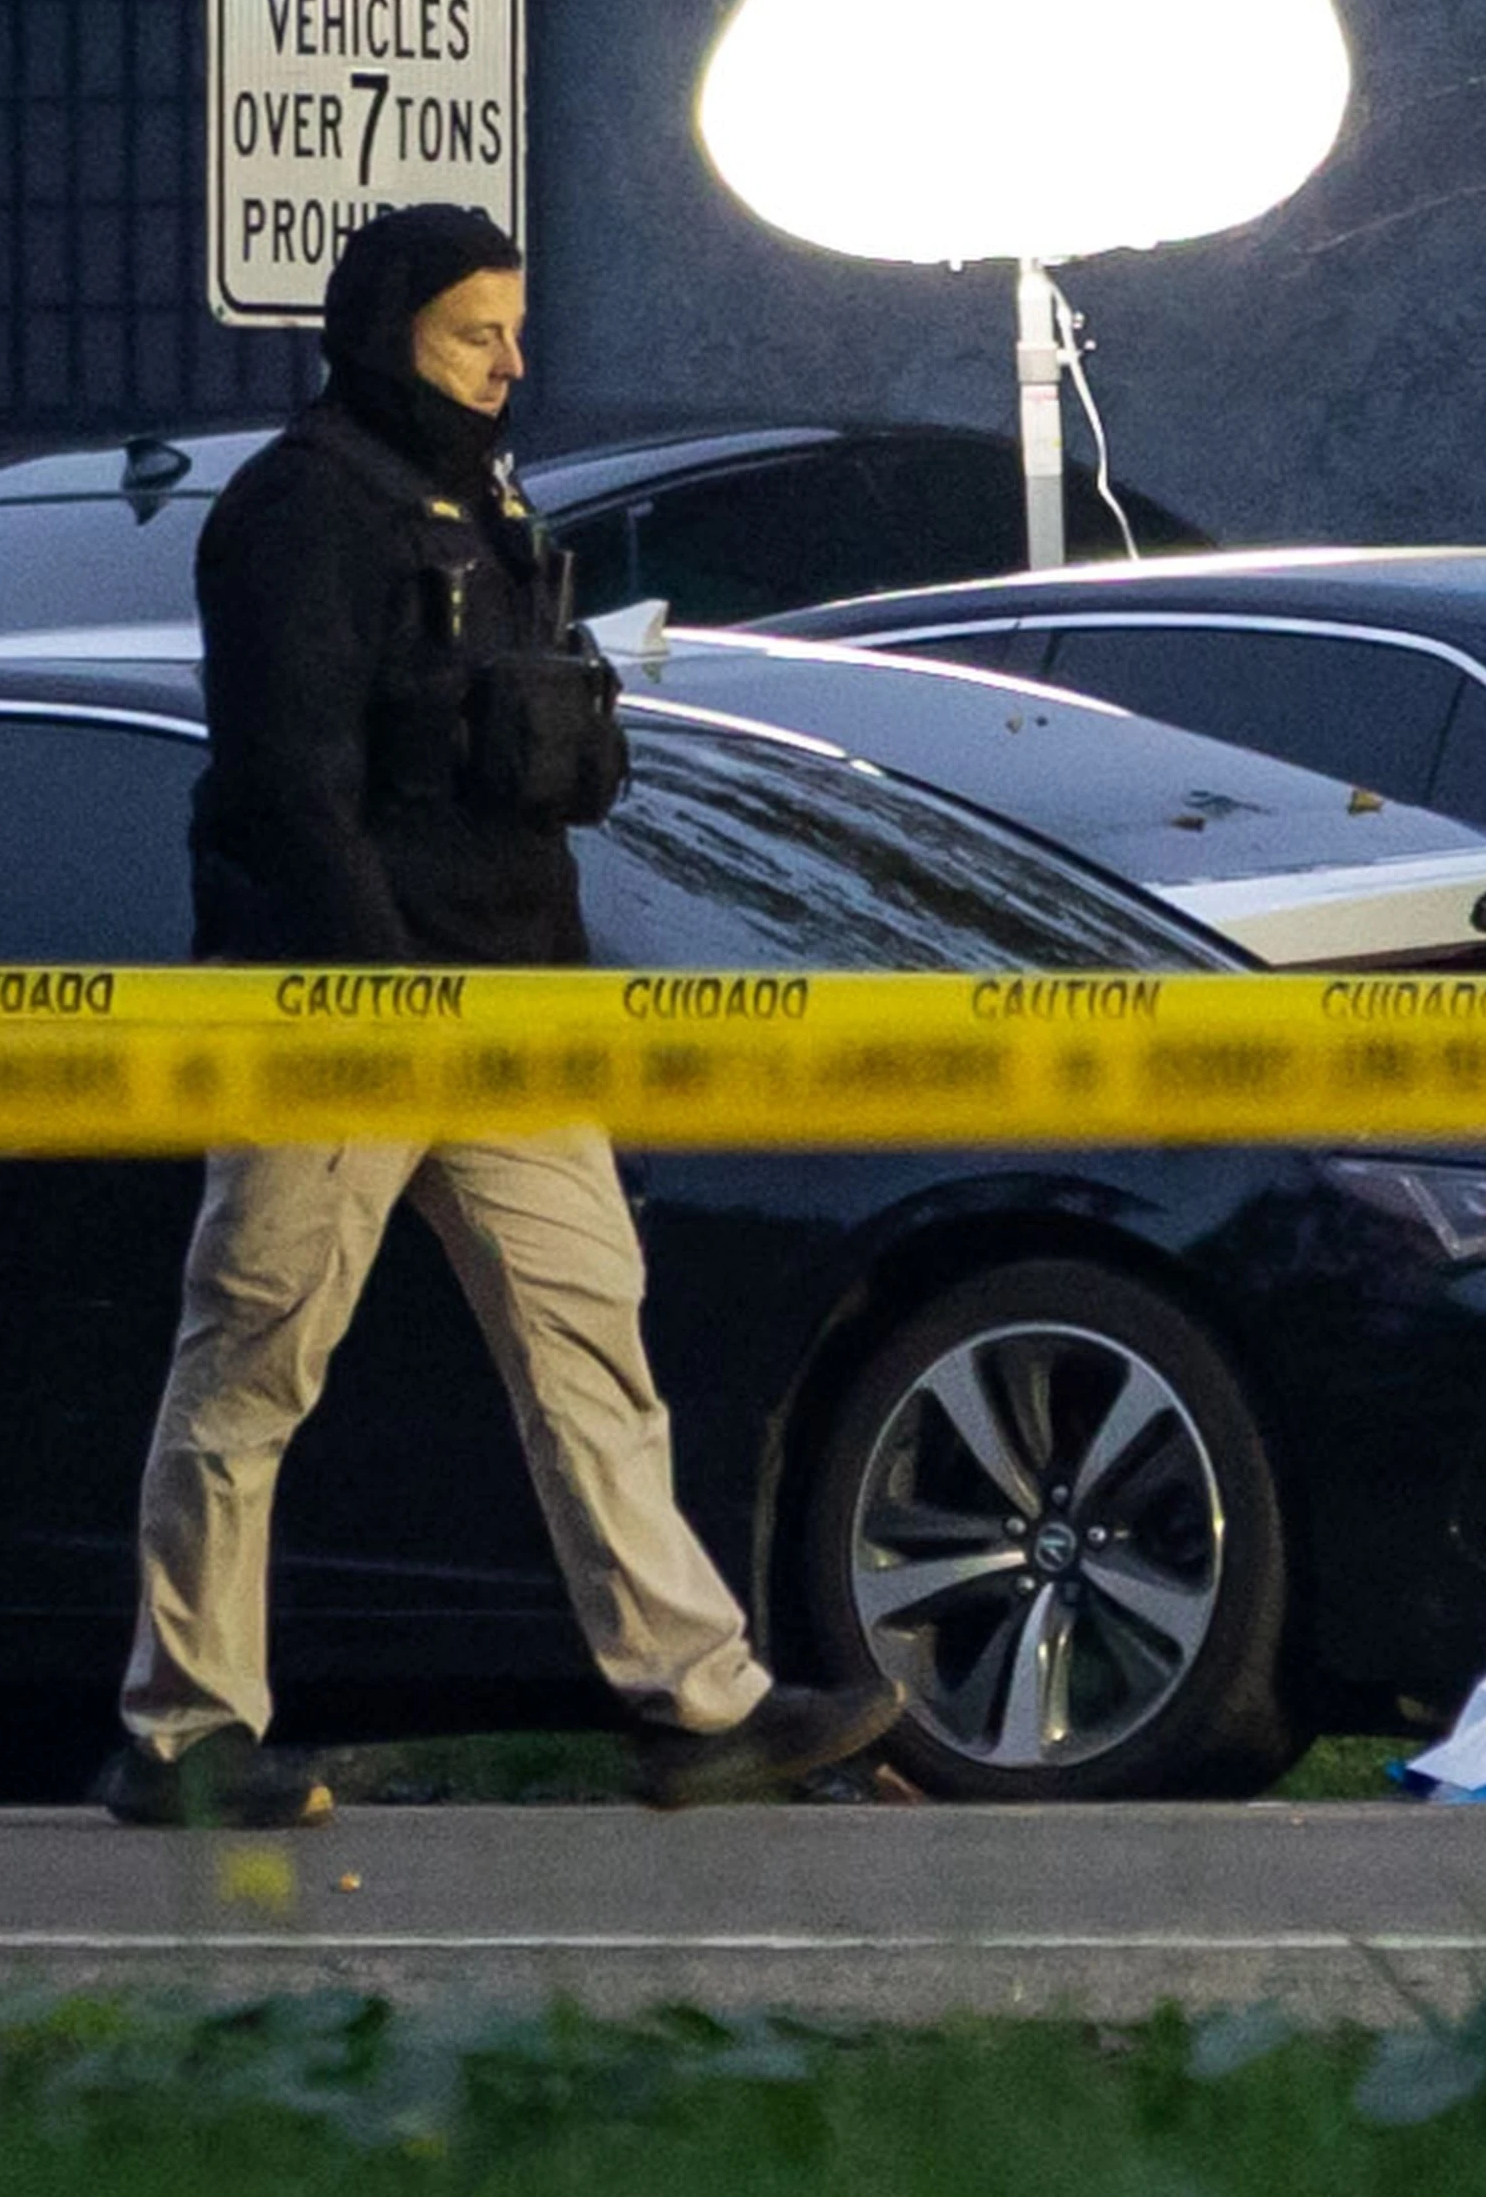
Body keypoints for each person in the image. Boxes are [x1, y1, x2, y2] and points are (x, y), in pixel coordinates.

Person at [94, 201, 901, 1827]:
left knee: (594, 1347)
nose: (511, 365)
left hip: (511, 1014)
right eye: (478, 334)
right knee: (253, 1358)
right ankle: (182, 1732)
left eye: (517, 332)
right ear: (389, 332)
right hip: (346, 1012)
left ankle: (702, 1704)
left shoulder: (483, 500)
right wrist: (380, 983)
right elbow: (285, 785)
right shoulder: (298, 512)